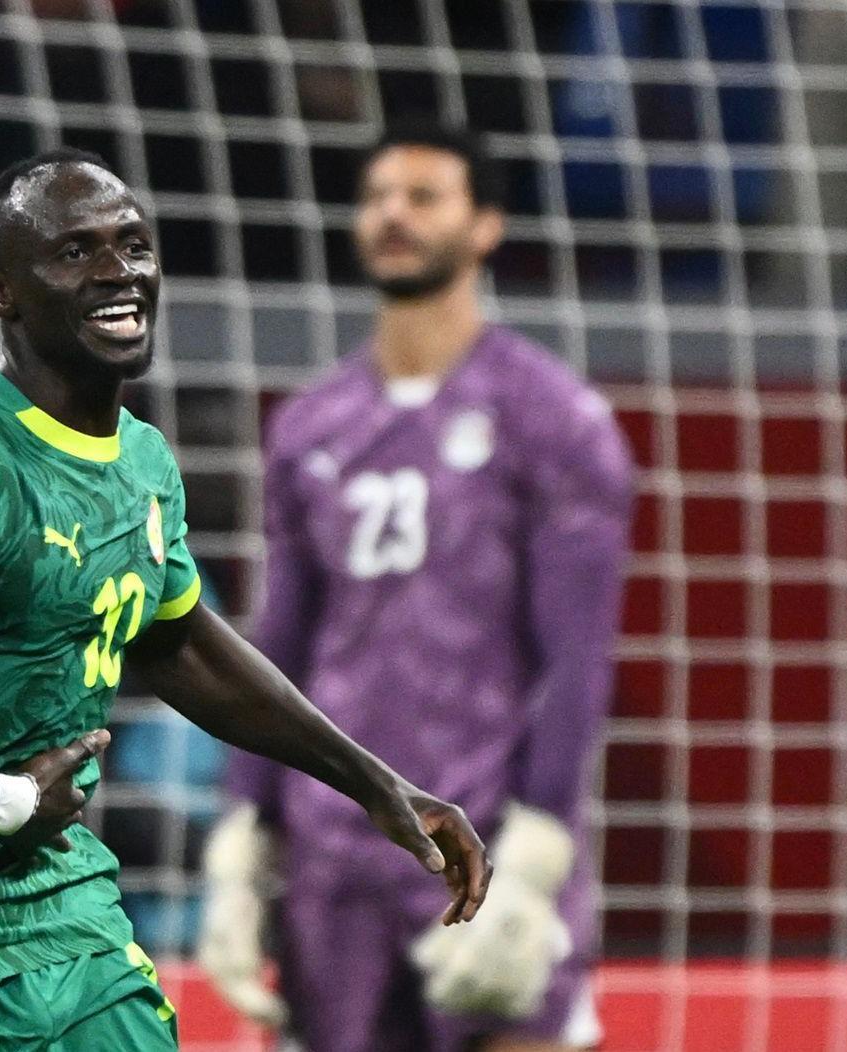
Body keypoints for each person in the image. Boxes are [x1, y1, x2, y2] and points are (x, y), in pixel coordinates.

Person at [0, 147, 491, 1052]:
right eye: (75, 252)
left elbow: (179, 644)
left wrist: (375, 785)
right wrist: (1, 801)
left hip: (58, 912)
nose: (118, 273)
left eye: (133, 245)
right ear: (2, 294)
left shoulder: (141, 461)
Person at [197, 121, 636, 1052]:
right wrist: (241, 838)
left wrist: (540, 854)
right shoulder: (313, 424)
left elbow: (577, 660)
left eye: (425, 195)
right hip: (334, 856)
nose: (394, 214)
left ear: (485, 226)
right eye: (379, 196)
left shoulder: (554, 419)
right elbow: (278, 645)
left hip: (484, 834)